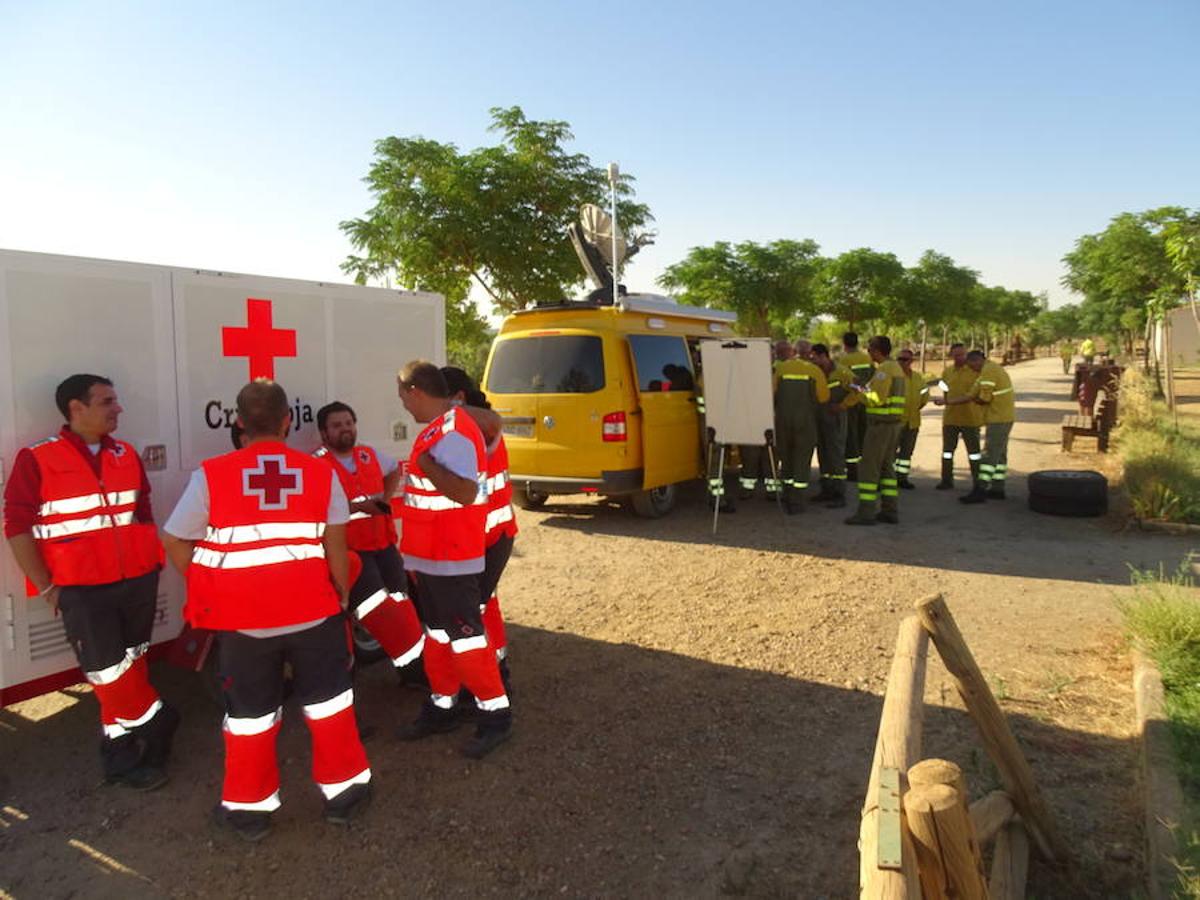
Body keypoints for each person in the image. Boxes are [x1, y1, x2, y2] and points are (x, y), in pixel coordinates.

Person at [162, 380, 371, 841]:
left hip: (242, 622)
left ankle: (249, 811)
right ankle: (345, 796)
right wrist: (340, 598)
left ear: (238, 423)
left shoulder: (212, 474)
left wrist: (206, 582)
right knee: (330, 707)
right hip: (315, 614)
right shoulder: (320, 473)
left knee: (250, 719)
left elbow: (175, 538)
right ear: (286, 421)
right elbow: (336, 544)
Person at [3, 374, 178, 791]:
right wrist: (47, 587)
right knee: (105, 672)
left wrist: (148, 564)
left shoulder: (126, 454)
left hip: (136, 580)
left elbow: (142, 513)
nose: (118, 408)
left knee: (130, 665)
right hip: (81, 589)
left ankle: (122, 752)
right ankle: (159, 723)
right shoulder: (38, 458)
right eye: (107, 401)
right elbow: (16, 527)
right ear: (76, 408)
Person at [395, 361, 512, 759]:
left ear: (415, 391)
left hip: (451, 557)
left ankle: (495, 715)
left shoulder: (453, 431)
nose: (403, 406)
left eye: (403, 397)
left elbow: (465, 493)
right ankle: (442, 706)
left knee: (467, 638)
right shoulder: (443, 428)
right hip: (432, 558)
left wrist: (427, 465)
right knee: (440, 635)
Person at [313, 401, 425, 685]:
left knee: (403, 604)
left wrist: (385, 500)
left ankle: (413, 672)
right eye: (336, 425)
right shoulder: (316, 465)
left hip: (384, 545)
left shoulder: (369, 454)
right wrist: (358, 507)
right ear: (324, 433)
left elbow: (394, 471)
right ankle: (411, 669)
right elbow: (315, 511)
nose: (345, 429)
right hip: (353, 554)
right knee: (381, 614)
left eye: (348, 423)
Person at [440, 366, 515, 687]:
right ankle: (495, 670)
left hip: (482, 539)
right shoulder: (477, 424)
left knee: (473, 616)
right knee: (485, 608)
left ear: (458, 398)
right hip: (493, 535)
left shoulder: (474, 428)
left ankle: (488, 682)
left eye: (437, 398)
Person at [845, 337, 906, 526]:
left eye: (870, 349)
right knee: (887, 468)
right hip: (892, 425)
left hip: (880, 425)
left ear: (878, 350)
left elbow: (875, 398)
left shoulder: (884, 370)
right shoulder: (895, 368)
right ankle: (890, 510)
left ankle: (866, 512)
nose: (869, 353)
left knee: (869, 469)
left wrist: (856, 388)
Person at [772, 339, 829, 514]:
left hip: (782, 421)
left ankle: (787, 494)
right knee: (802, 461)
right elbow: (823, 397)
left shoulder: (780, 369)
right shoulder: (815, 371)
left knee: (786, 458)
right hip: (806, 422)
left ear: (794, 351)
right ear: (810, 352)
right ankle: (796, 501)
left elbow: (770, 393)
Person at [954, 351, 1016, 503]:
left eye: (971, 365)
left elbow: (984, 398)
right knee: (1000, 454)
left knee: (989, 453)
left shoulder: (988, 371)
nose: (971, 369)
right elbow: (970, 394)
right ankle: (997, 488)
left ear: (977, 361)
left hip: (999, 418)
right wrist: (948, 402)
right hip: (1002, 417)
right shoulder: (986, 371)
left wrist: (976, 400)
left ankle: (980, 489)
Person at [738, 340, 792, 501]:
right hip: (751, 420)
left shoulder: (777, 371)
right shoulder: (746, 373)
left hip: (771, 419)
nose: (770, 356)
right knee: (749, 456)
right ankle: (747, 489)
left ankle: (772, 491)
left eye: (771, 353)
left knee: (772, 457)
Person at [811, 344, 856, 508]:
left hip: (835, 419)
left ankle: (839, 494)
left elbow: (860, 389)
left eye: (814, 357)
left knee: (836, 456)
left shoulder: (842, 372)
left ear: (823, 355)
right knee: (823, 454)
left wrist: (843, 405)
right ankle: (826, 489)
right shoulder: (815, 371)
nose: (812, 360)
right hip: (819, 420)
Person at [935, 343, 983, 491]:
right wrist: (945, 400)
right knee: (947, 452)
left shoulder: (975, 371)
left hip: (971, 419)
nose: (959, 357)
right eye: (956, 355)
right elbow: (944, 389)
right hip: (950, 419)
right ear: (951, 355)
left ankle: (978, 483)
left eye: (962, 354)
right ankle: (946, 480)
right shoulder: (947, 372)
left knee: (974, 453)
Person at [839, 332, 873, 482]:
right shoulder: (867, 358)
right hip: (866, 401)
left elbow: (844, 382)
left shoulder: (843, 360)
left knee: (851, 435)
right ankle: (865, 468)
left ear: (844, 344)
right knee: (864, 433)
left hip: (851, 402)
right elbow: (873, 378)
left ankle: (852, 471)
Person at [894, 350, 929, 490]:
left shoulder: (917, 378)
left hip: (912, 422)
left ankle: (902, 478)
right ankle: (887, 479)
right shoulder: (894, 376)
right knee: (890, 453)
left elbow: (924, 395)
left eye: (905, 359)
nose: (902, 362)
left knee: (906, 453)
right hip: (896, 421)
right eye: (899, 359)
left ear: (911, 361)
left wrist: (916, 407)